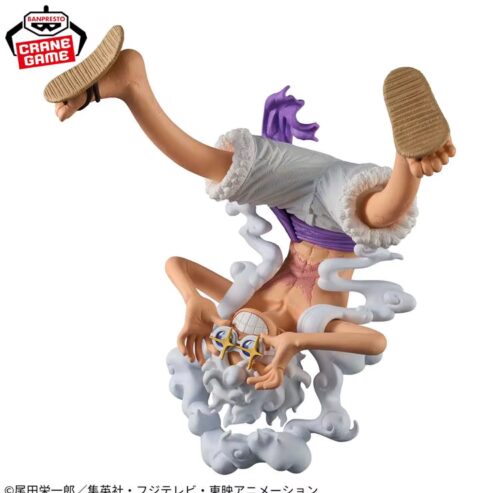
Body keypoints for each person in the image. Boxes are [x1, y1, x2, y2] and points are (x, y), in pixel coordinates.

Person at [45, 27, 455, 391]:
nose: (242, 344)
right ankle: (412, 157)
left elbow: (177, 264)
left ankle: (129, 85)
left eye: (227, 347)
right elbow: (374, 342)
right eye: (250, 357)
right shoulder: (313, 323)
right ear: (279, 364)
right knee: (379, 215)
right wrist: (297, 340)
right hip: (339, 218)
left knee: (216, 167)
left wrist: (192, 301)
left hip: (293, 200)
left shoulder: (240, 300)